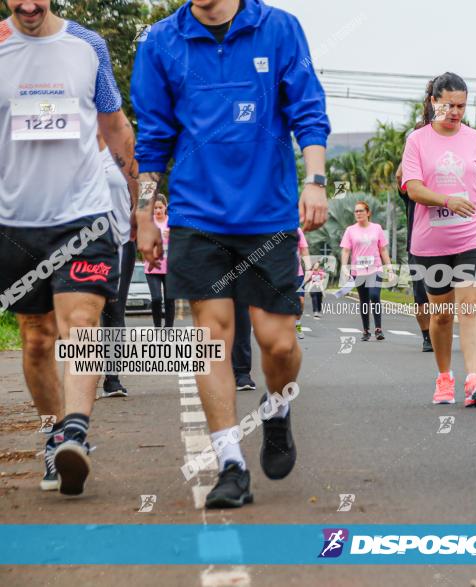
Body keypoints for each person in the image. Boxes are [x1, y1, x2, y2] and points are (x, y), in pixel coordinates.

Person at [132, 0, 330, 508]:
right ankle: (231, 464)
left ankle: (278, 409)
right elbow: (153, 138)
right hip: (198, 216)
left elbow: (308, 110)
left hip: (269, 214)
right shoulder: (160, 42)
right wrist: (144, 213)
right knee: (211, 339)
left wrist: (315, 181)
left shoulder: (279, 29)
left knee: (278, 343)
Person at [0, 0, 137, 495]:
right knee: (37, 338)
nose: (28, 5)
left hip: (82, 216)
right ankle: (52, 438)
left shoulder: (88, 46)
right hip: (14, 223)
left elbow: (116, 127)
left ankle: (75, 430)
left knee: (80, 323)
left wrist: (140, 204)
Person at [401, 72, 476, 406]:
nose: (455, 112)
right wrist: (447, 200)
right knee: (441, 316)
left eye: (461, 106)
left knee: (469, 308)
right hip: (431, 242)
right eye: (449, 105)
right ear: (434, 102)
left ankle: (474, 379)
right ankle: (444, 377)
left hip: (473, 236)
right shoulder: (417, 140)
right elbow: (413, 188)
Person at [99, 132, 137, 398]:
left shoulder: (123, 156)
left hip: (122, 240)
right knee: (82, 314)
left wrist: (141, 212)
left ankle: (112, 378)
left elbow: (143, 184)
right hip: (81, 244)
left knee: (114, 309)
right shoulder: (76, 148)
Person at [340, 201, 391, 341]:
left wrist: (389, 268)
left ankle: (378, 329)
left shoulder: (377, 228)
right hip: (358, 271)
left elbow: (383, 249)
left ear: (368, 213)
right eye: (356, 211)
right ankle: (366, 330)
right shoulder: (350, 230)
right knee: (364, 301)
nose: (358, 213)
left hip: (376, 268)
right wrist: (344, 267)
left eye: (361, 211)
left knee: (374, 296)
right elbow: (345, 250)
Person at [397, 164, 434, 352]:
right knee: (421, 298)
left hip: (444, 247)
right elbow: (398, 176)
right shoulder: (411, 191)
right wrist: (411, 150)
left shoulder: (442, 190)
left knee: (446, 297)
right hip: (417, 249)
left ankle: (440, 331)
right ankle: (427, 337)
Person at [144, 195, 175, 328]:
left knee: (169, 299)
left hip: (169, 268)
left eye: (160, 207)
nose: (157, 210)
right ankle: (157, 328)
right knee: (156, 298)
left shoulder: (172, 223)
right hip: (152, 267)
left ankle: (168, 329)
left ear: (165, 207)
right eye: (155, 208)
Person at [294, 226, 310, 339]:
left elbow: (304, 249)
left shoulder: (297, 230)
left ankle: (297, 324)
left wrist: (309, 269)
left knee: (301, 301)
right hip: (279, 274)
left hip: (297, 273)